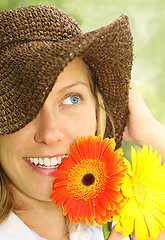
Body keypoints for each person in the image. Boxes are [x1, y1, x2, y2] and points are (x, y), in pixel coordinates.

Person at [0, 5, 165, 240]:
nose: (50, 133)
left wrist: (149, 133)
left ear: (98, 113)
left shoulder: (128, 219)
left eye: (71, 99)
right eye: (21, 105)